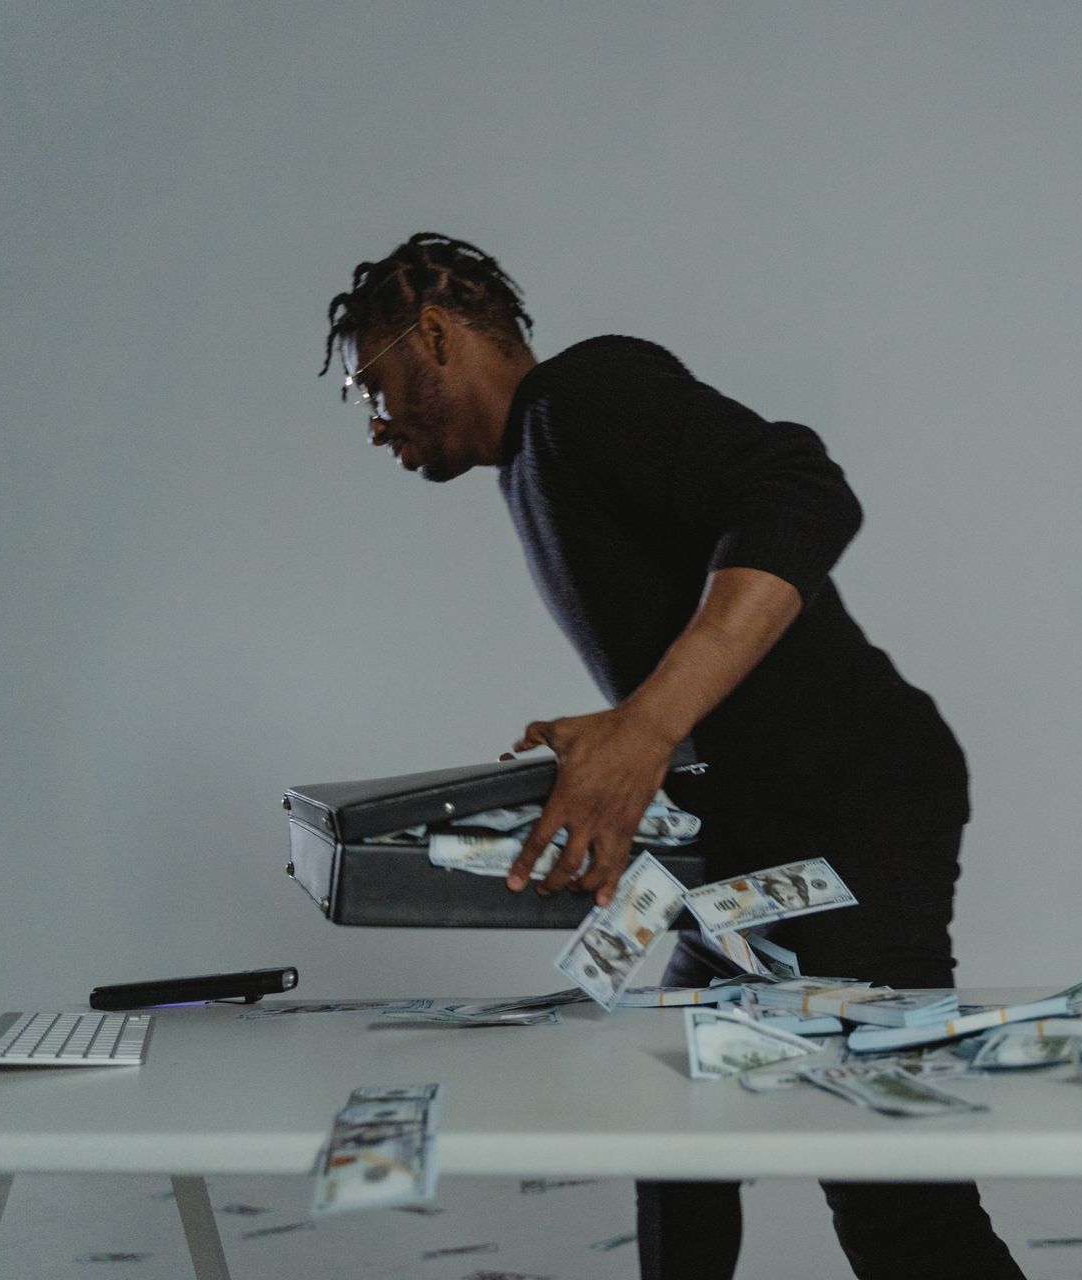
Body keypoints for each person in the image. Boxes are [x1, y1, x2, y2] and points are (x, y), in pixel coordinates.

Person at [321, 232, 1026, 1280]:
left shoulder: (581, 396)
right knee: (673, 1123)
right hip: (752, 834)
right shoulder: (531, 466)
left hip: (854, 809)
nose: (372, 424)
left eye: (367, 386)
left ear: (432, 336)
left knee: (896, 1201)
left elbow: (804, 486)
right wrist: (625, 753)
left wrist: (644, 725)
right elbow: (718, 679)